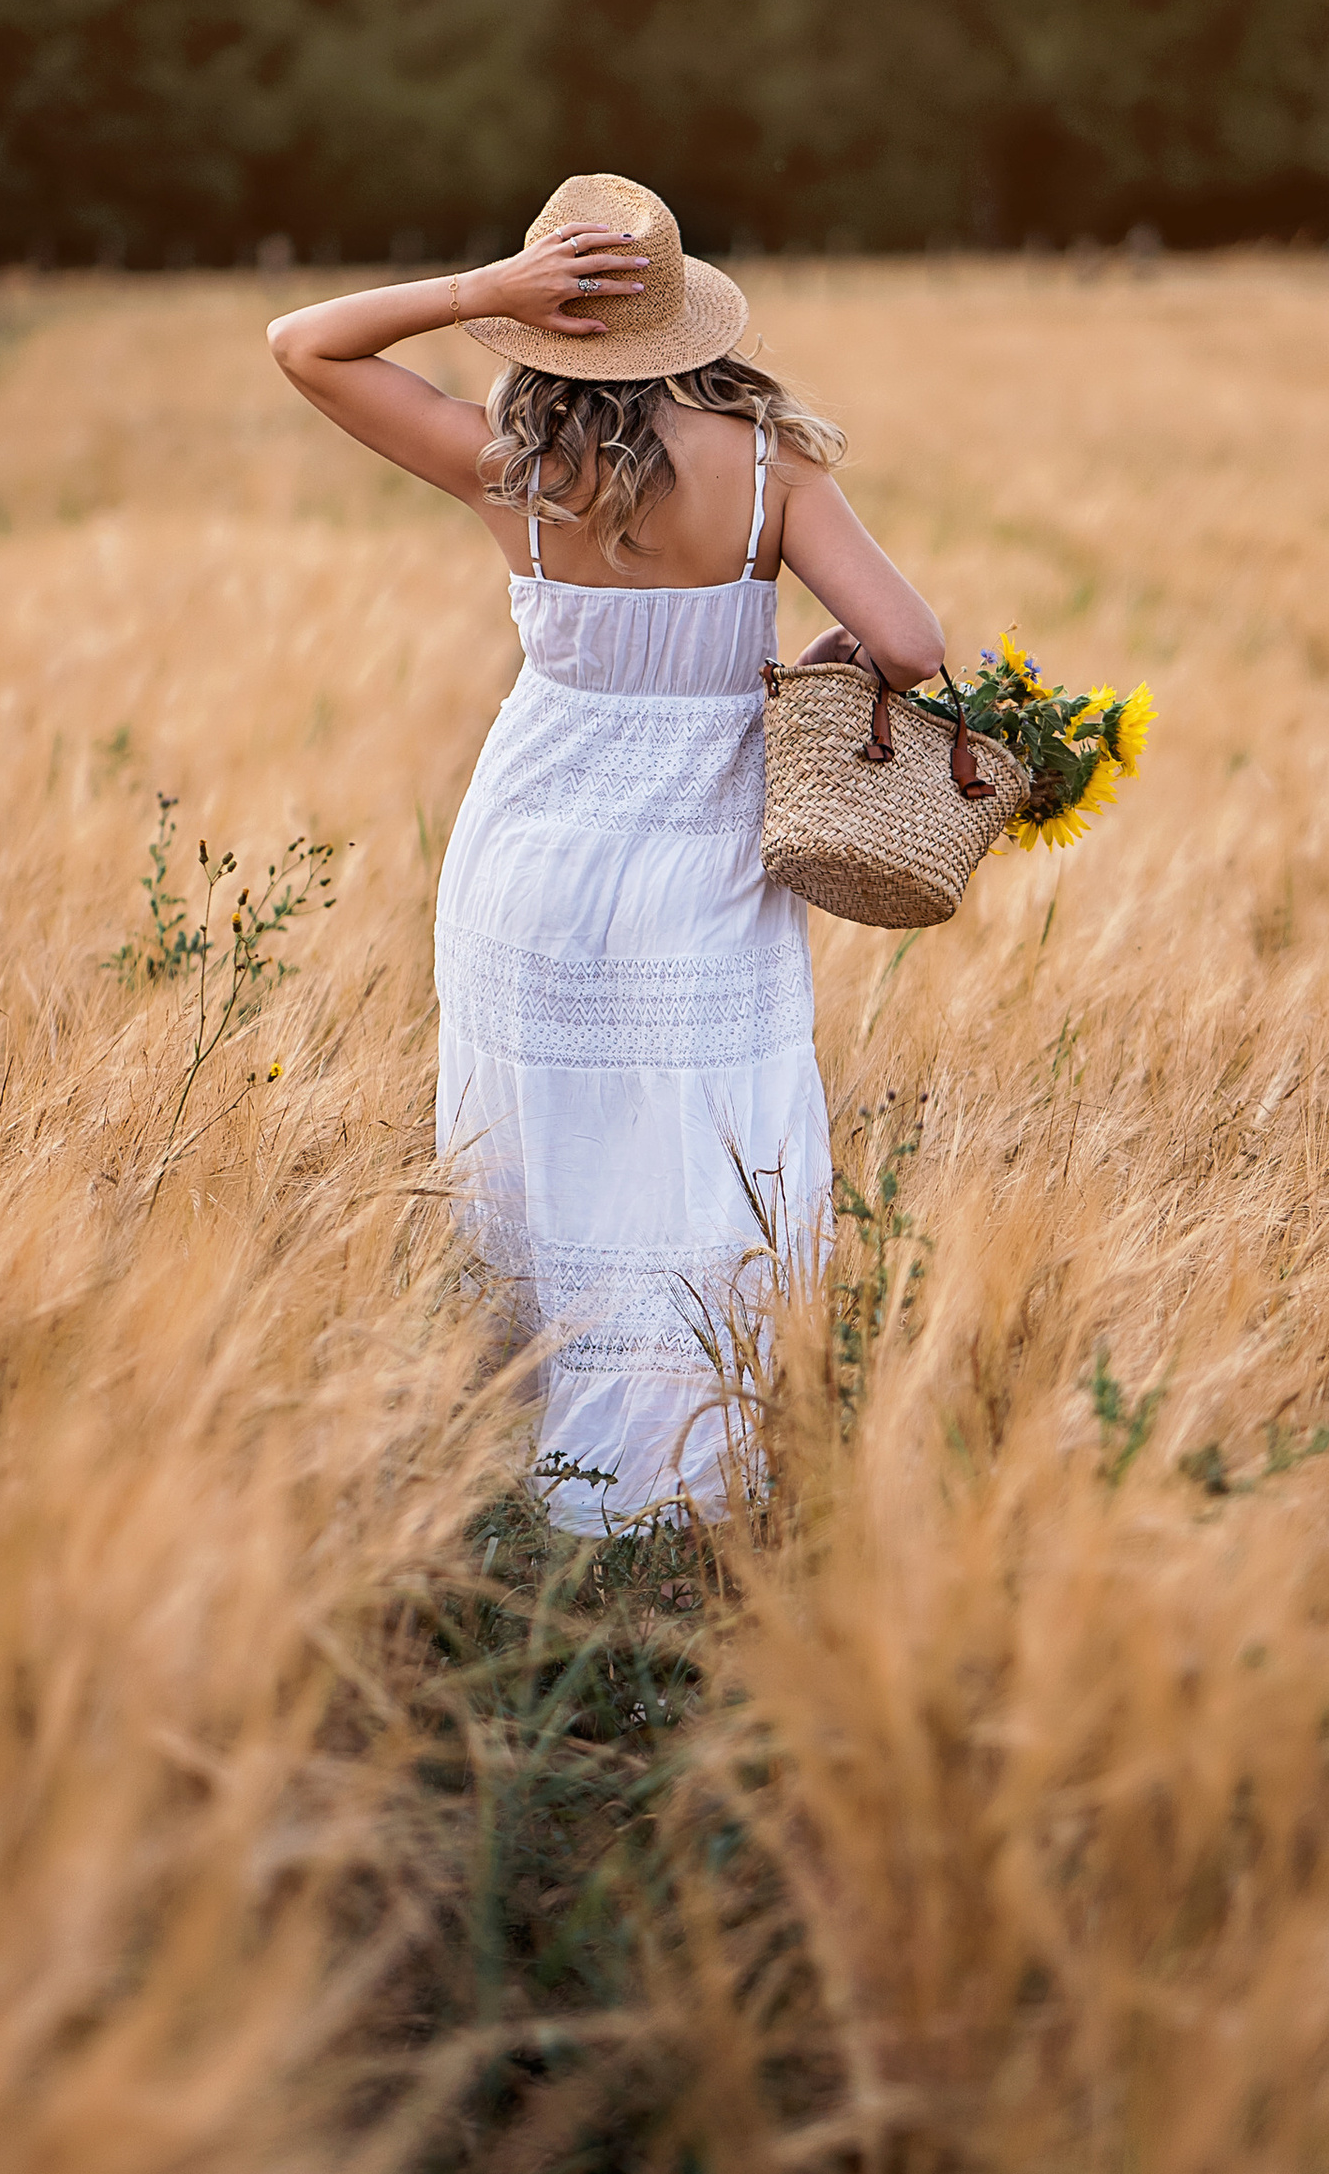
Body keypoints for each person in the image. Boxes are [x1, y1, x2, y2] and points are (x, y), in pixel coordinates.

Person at [267, 173, 944, 1530]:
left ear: (544, 323)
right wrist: (805, 659)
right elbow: (915, 648)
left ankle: (533, 1461)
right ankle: (697, 1471)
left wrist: (477, 295)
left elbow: (305, 343)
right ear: (688, 319)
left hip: (527, 856)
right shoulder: (770, 467)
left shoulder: (509, 468)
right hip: (703, 860)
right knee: (706, 1139)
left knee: (543, 1146)